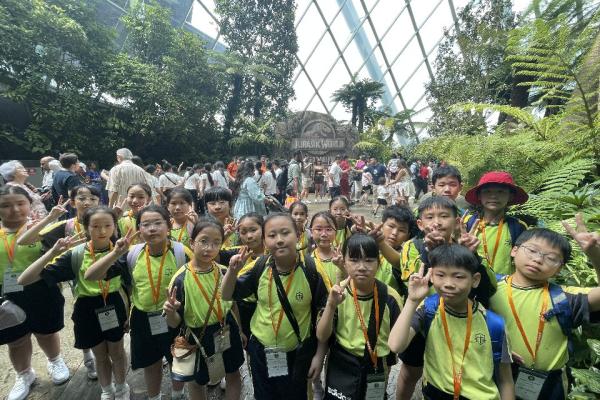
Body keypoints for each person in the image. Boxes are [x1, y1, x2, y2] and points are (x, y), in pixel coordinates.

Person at [18, 206, 130, 400]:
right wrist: (52, 252)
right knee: (100, 355)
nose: (102, 231)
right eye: (95, 226)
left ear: (115, 226)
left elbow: (130, 285)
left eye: (107, 225)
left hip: (114, 304)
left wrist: (129, 313)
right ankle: (107, 389)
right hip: (87, 308)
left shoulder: (122, 252)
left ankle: (121, 388)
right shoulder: (76, 254)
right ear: (86, 228)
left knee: (117, 352)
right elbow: (24, 280)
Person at [85, 205, 188, 400]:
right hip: (142, 319)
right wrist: (115, 253)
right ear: (139, 228)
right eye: (146, 224)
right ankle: (154, 397)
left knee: (178, 359)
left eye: (158, 223)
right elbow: (91, 275)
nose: (152, 229)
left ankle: (178, 393)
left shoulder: (182, 253)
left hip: (174, 317)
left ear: (168, 225)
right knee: (151, 363)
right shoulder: (132, 254)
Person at [221, 213, 328, 400]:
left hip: (297, 353)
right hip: (261, 352)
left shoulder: (312, 271)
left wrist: (319, 356)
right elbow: (226, 294)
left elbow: (324, 314)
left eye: (285, 233)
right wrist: (232, 272)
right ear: (264, 240)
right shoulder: (260, 267)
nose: (279, 240)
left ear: (298, 235)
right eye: (272, 235)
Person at [388, 244, 515, 399]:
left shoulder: (494, 324)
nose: (448, 283)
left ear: (475, 280)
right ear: (431, 276)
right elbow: (395, 345)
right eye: (440, 275)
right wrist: (412, 300)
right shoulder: (428, 309)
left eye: (458, 277)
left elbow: (505, 381)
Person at [489, 223, 600, 399]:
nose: (538, 259)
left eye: (551, 258)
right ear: (514, 250)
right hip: (497, 376)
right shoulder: (490, 288)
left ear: (559, 269)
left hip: (550, 384)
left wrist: (595, 256)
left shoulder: (563, 297)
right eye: (532, 250)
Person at [0, 186, 70, 400]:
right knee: (16, 338)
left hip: (40, 288)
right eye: (6, 205)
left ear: (30, 204)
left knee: (46, 331)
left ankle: (55, 360)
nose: (14, 209)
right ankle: (24, 374)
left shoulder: (43, 230)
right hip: (7, 293)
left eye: (20, 203)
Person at [163, 219, 244, 400]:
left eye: (216, 243)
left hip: (226, 328)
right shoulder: (180, 279)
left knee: (233, 372)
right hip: (197, 335)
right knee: (197, 381)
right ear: (192, 243)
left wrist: (239, 330)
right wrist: (171, 312)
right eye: (203, 241)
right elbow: (174, 323)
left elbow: (232, 304)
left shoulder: (224, 271)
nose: (209, 248)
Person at [317, 234, 402, 400]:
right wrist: (331, 305)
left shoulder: (391, 298)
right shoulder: (338, 293)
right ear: (344, 262)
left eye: (369, 260)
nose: (362, 267)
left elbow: (395, 345)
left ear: (379, 262)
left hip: (376, 364)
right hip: (341, 363)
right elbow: (322, 335)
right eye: (354, 260)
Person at [463, 171, 528, 275]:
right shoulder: (467, 223)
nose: (493, 196)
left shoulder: (518, 227)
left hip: (505, 282)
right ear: (479, 195)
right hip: (473, 280)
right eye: (487, 191)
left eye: (501, 192)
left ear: (510, 196)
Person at [309, 211, 344, 291]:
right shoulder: (308, 261)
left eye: (329, 229)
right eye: (319, 229)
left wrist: (342, 267)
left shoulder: (343, 257)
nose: (324, 234)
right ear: (311, 232)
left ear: (336, 232)